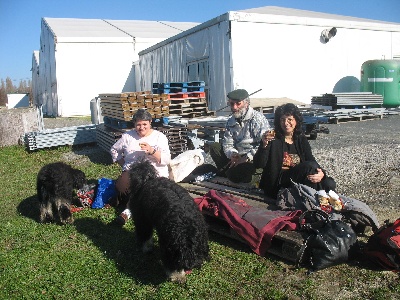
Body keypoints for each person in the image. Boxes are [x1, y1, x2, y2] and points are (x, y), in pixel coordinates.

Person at [253, 103, 336, 199]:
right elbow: (258, 164)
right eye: (282, 119)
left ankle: (322, 200)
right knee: (310, 168)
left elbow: (311, 159)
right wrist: (264, 145)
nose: (286, 123)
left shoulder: (300, 138)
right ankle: (320, 200)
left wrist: (322, 173)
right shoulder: (272, 138)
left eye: (289, 119)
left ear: (296, 121)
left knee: (329, 183)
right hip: (278, 182)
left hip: (299, 178)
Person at [110, 108, 171, 225]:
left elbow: (166, 160)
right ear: (134, 124)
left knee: (149, 189)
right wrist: (124, 165)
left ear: (150, 122)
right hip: (133, 171)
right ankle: (136, 207)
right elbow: (114, 150)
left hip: (154, 171)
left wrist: (152, 151)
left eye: (144, 124)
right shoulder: (128, 136)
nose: (141, 127)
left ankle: (128, 211)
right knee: (123, 187)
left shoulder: (159, 137)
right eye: (138, 124)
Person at [209, 88, 271, 183]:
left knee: (238, 173)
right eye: (231, 104)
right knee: (214, 147)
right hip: (238, 154)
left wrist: (247, 157)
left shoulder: (257, 119)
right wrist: (233, 154)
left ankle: (234, 174)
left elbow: (264, 145)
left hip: (252, 157)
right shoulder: (231, 121)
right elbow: (227, 143)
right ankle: (230, 173)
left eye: (238, 104)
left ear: (246, 103)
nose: (234, 107)